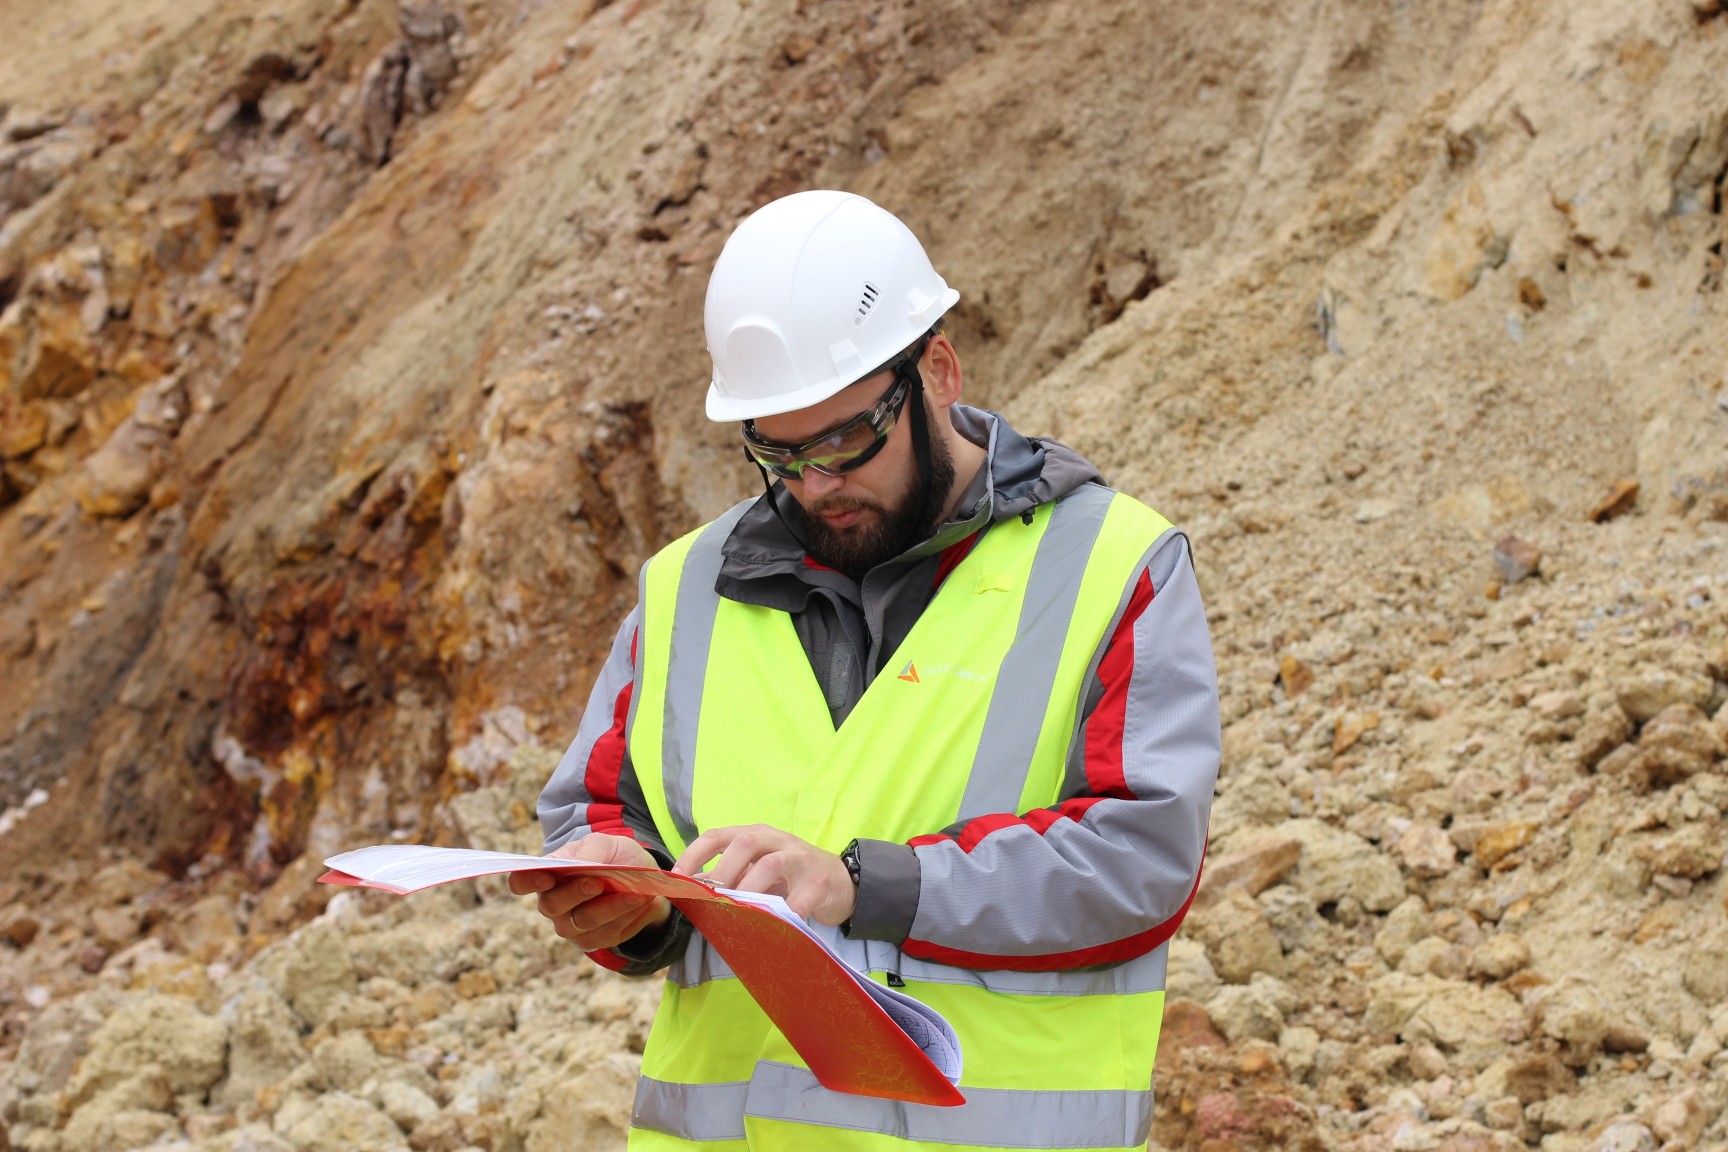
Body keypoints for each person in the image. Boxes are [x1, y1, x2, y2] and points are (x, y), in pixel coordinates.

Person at [510, 189, 1220, 1152]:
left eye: (846, 439)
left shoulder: (1111, 567)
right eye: (777, 449)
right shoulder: (686, 589)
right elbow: (603, 814)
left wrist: (866, 884)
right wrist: (623, 899)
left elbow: (1140, 858)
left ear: (936, 371)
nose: (815, 484)